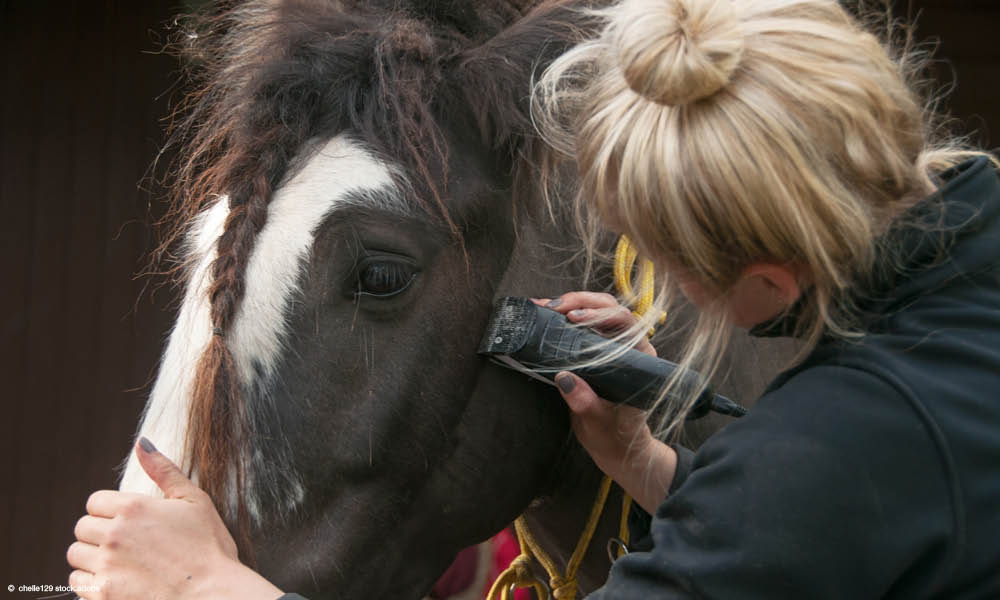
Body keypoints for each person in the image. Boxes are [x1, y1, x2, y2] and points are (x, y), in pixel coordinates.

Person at [67, 0, 1000, 598]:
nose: (661, 287)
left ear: (771, 282)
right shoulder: (959, 314)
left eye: (668, 258)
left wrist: (202, 587)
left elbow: (815, 503)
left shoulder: (845, 441)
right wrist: (647, 465)